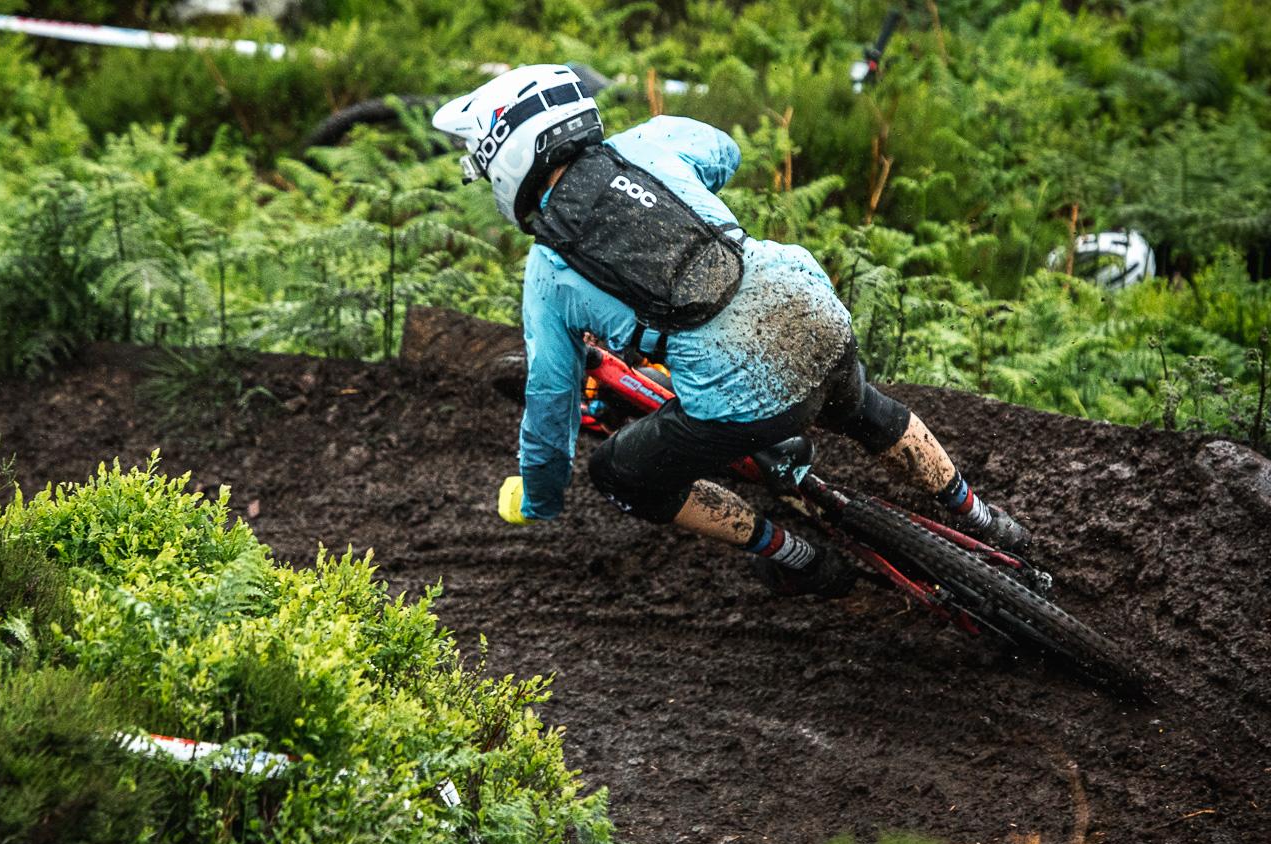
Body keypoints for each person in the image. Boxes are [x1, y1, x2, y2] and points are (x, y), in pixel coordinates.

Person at [433, 65, 1028, 596]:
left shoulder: (547, 273)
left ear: (509, 161)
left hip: (745, 397)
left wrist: (539, 500)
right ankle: (982, 517)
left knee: (621, 475)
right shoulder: (649, 142)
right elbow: (724, 152)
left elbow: (550, 402)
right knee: (863, 408)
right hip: (811, 310)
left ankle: (798, 560)